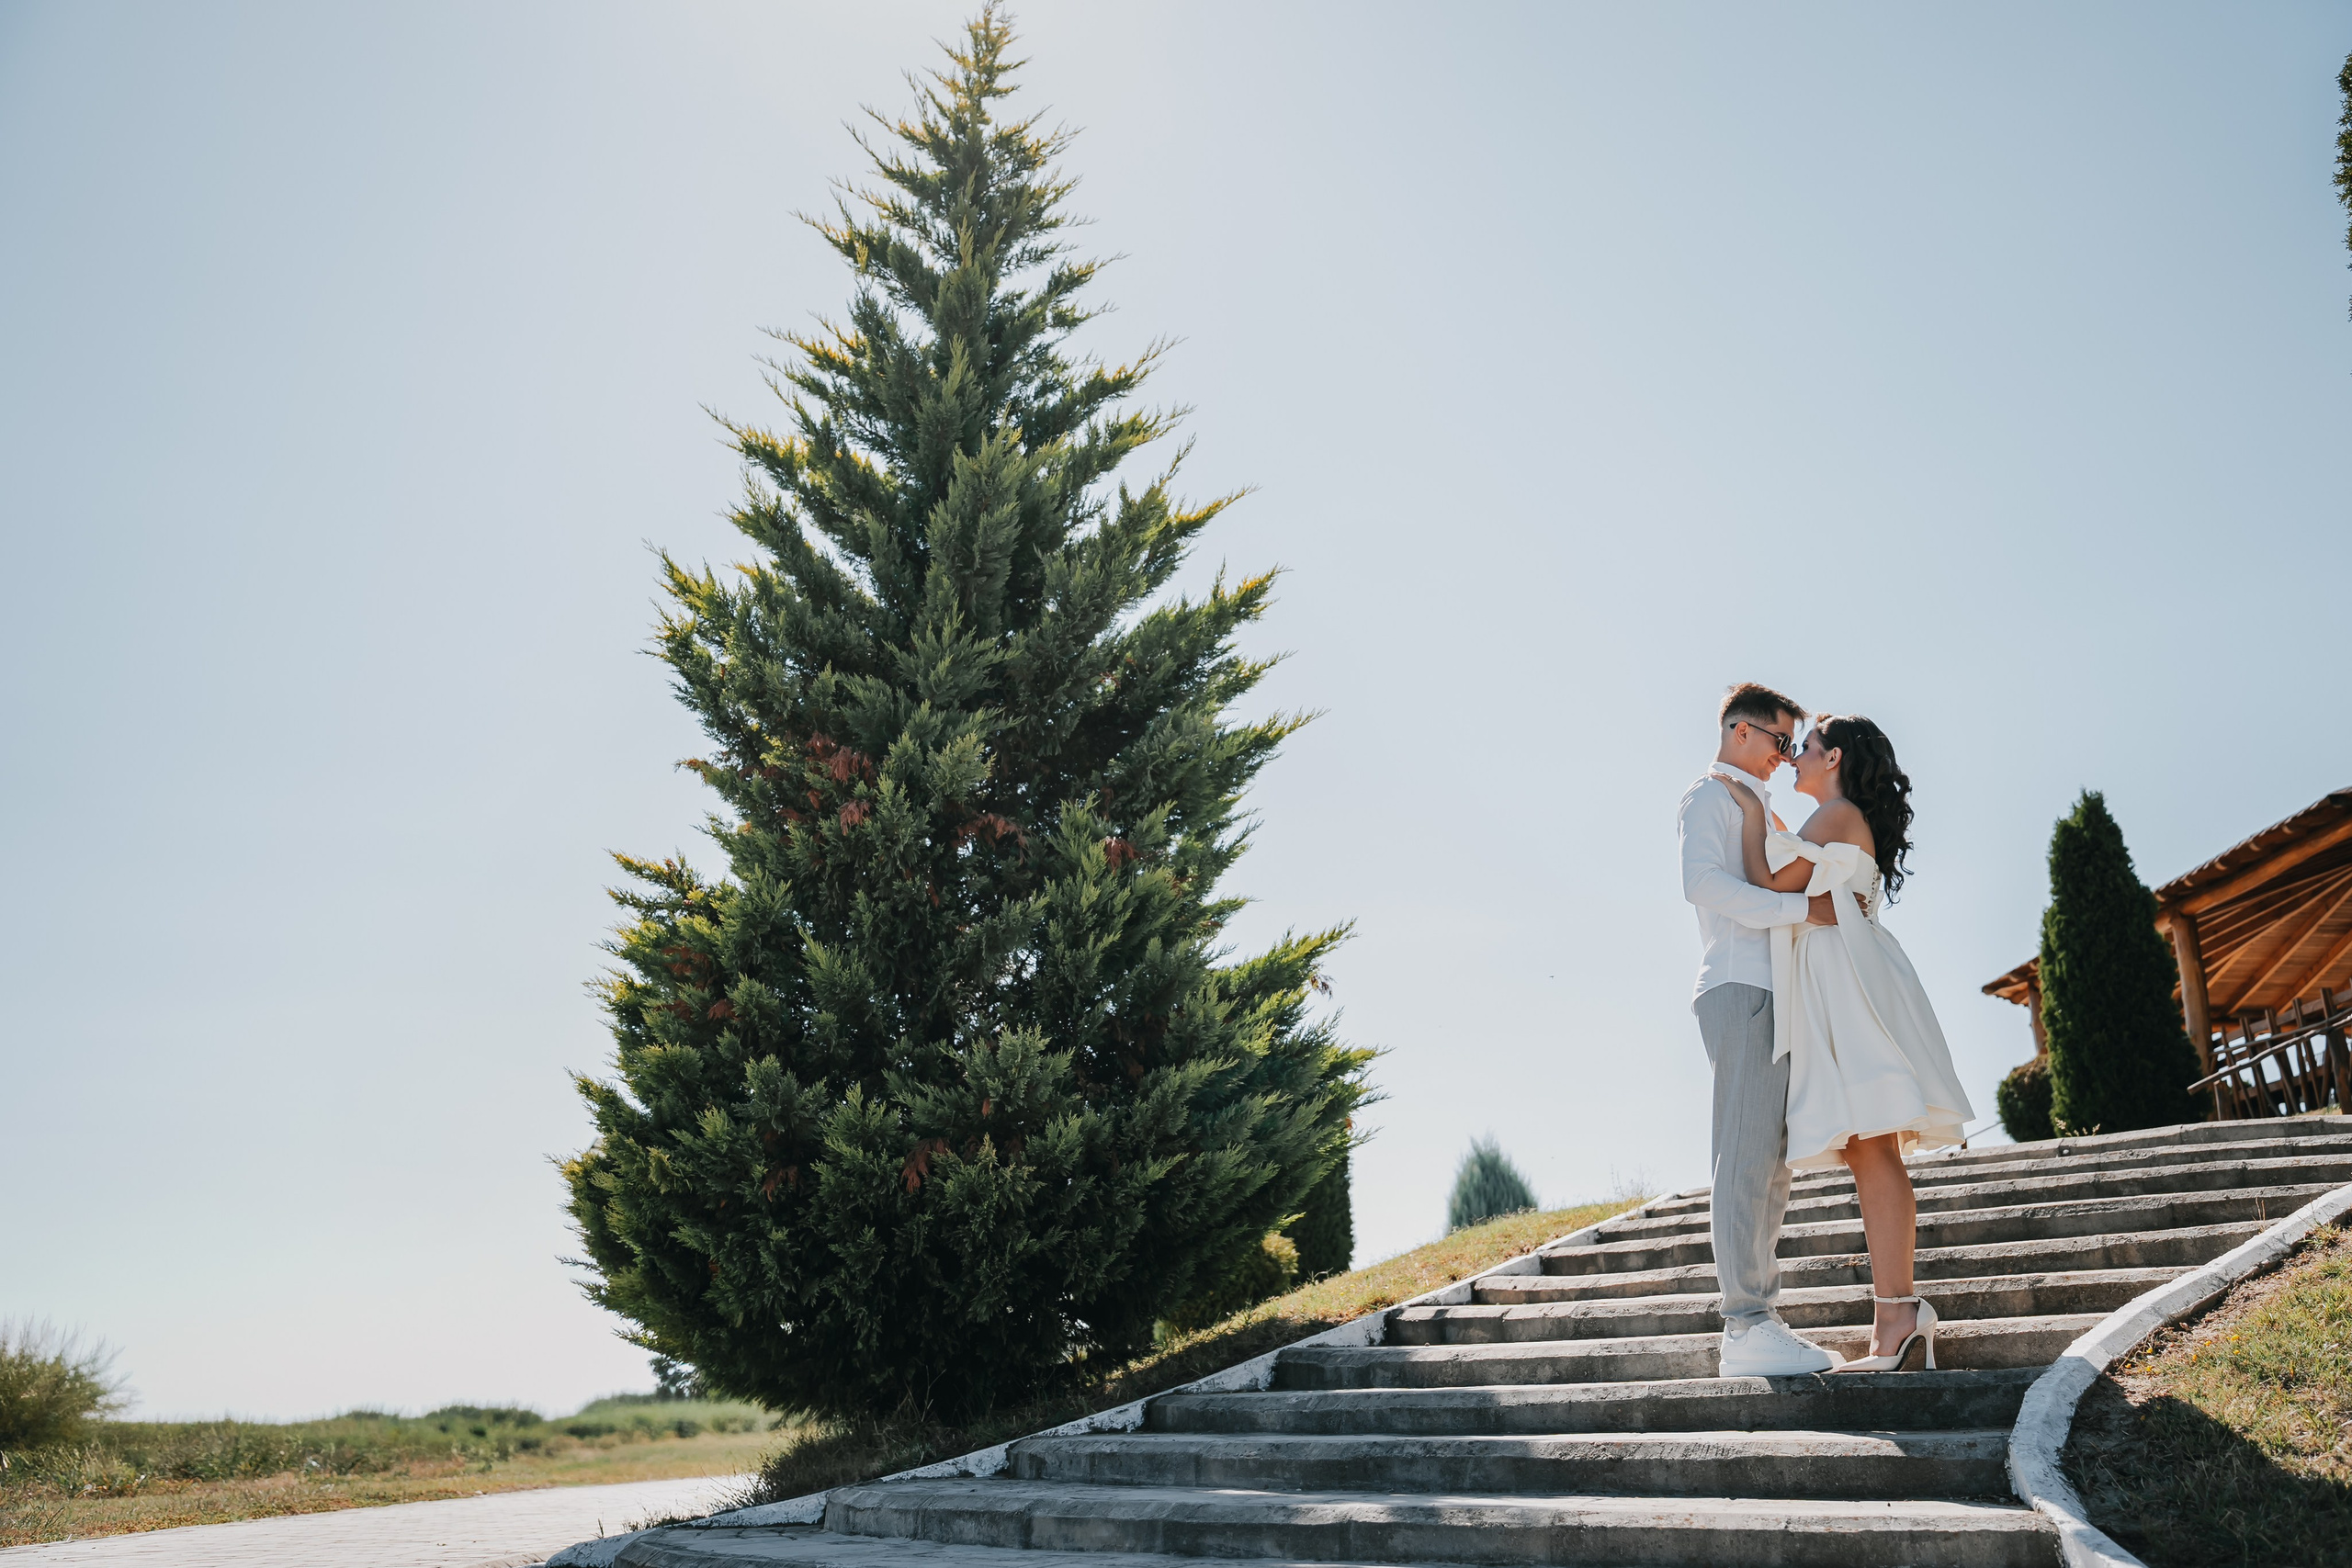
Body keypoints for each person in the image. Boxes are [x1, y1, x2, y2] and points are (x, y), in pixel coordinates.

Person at [1725, 713, 1975, 1371]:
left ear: (1834, 757)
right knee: (1870, 1148)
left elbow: (1768, 880)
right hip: (1844, 976)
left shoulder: (1834, 815)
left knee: (1873, 1147)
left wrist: (1751, 806)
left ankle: (1897, 1312)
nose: (1794, 756)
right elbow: (1795, 876)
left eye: (1803, 747)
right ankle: (1895, 1315)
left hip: (1847, 980)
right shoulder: (1830, 819)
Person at [1678, 682, 1845, 1377]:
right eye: (1781, 741)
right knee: (1745, 1156)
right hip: (1740, 985)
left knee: (1771, 1164)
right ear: (1742, 732)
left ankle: (1760, 1317)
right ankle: (1745, 1324)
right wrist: (1800, 911)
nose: (1784, 755)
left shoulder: (1759, 804)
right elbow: (1703, 884)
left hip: (1773, 991)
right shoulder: (1708, 796)